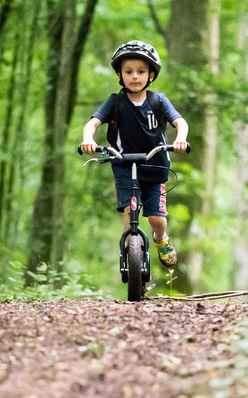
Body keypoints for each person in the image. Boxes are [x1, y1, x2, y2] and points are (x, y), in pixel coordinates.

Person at [80, 40, 189, 268]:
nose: (135, 77)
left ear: (151, 75)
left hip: (155, 164)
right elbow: (93, 124)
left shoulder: (158, 101)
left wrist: (180, 139)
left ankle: (160, 239)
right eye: (128, 72)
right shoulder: (115, 102)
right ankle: (131, 251)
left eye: (141, 71)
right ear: (120, 74)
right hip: (123, 163)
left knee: (157, 219)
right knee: (131, 209)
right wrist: (88, 139)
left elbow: (180, 122)